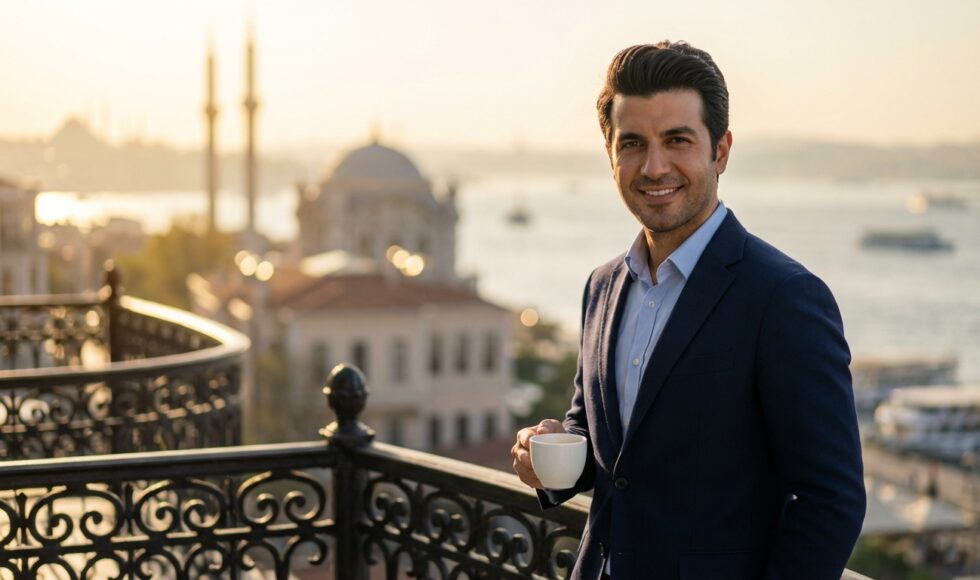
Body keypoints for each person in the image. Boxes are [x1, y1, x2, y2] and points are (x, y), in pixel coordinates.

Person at [511, 41, 866, 580]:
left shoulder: (785, 297)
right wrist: (548, 460)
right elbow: (605, 448)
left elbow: (831, 501)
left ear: (720, 151)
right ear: (611, 154)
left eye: (677, 140)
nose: (654, 167)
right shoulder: (602, 286)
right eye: (632, 144)